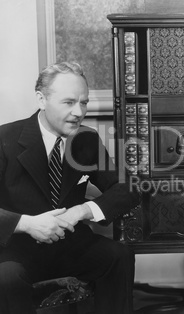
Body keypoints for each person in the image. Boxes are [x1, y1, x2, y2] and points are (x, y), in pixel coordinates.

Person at [0, 61, 140, 314]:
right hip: (16, 250)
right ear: (41, 100)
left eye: (84, 102)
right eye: (68, 102)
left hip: (69, 245)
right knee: (6, 276)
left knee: (118, 255)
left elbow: (127, 187)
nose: (79, 112)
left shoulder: (85, 139)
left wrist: (82, 210)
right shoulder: (4, 139)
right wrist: (27, 224)